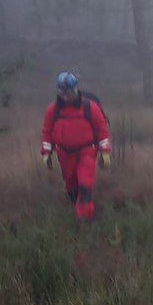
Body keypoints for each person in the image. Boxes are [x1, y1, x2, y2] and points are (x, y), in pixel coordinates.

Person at [41, 72, 112, 222]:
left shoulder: (90, 107)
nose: (66, 96)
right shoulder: (53, 110)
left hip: (86, 151)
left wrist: (105, 152)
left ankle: (85, 219)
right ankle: (77, 207)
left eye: (69, 92)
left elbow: (102, 130)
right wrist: (46, 153)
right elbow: (47, 132)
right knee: (71, 185)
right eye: (62, 92)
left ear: (75, 89)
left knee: (85, 183)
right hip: (64, 154)